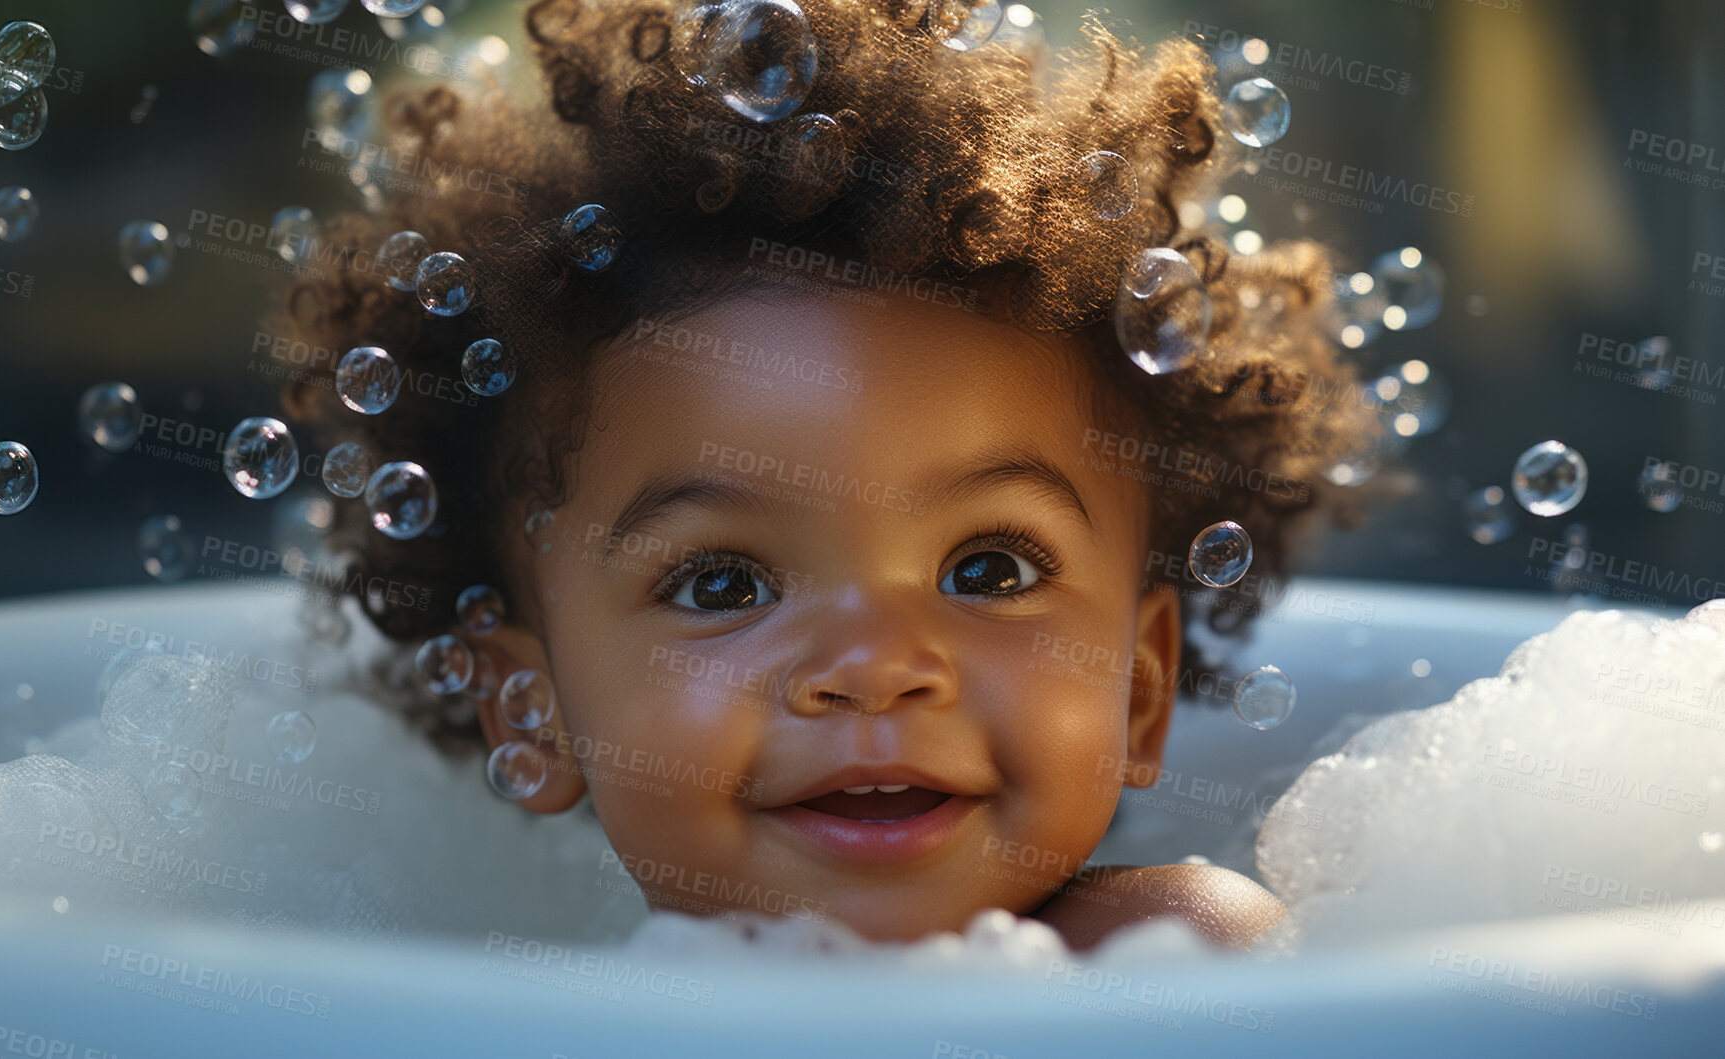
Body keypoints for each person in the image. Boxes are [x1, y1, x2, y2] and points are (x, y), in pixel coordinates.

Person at [276, 0, 1380, 950]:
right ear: (535, 710)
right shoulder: (506, 991)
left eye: (988, 569)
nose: (875, 667)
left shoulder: (1172, 960)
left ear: (1134, 694)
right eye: (722, 585)